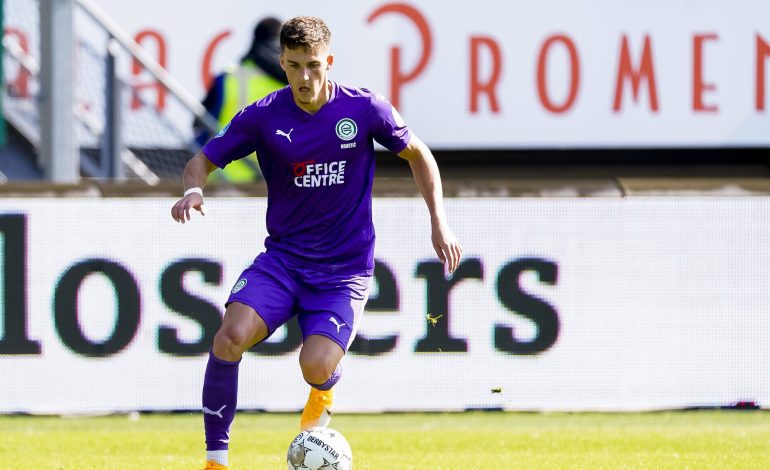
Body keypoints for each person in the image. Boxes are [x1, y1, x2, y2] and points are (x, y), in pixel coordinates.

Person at [171, 16, 462, 470]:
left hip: (343, 272)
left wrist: (439, 221)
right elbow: (200, 162)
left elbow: (418, 154)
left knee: (315, 366)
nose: (304, 78)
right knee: (229, 337)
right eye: (293, 66)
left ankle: (323, 389)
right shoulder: (263, 115)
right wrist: (194, 191)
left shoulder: (364, 108)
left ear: (329, 61)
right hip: (283, 263)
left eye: (312, 66)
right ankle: (216, 461)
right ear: (282, 64)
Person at [193, 17, 288, 183]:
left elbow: (199, 125)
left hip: (225, 176)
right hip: (275, 178)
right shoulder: (296, 81)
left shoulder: (227, 78)